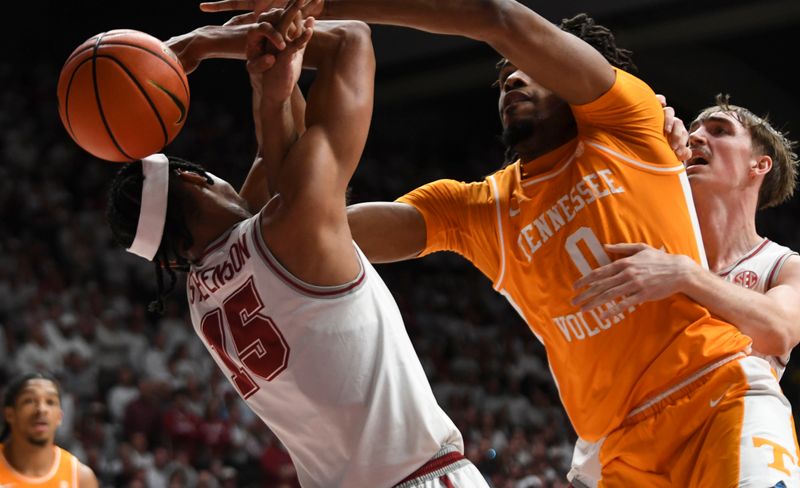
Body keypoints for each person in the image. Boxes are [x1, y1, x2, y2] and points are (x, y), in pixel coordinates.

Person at [198, 0, 800, 484]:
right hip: (618, 452)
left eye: (532, 71)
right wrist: (275, 95)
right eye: (507, 77)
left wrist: (311, 4)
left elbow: (496, 17)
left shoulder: (628, 126)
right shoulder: (478, 209)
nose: (512, 76)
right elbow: (308, 223)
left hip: (718, 398)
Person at [105, 6, 488, 488]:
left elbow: (281, 170)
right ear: (191, 176)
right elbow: (352, 40)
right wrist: (206, 43)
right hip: (421, 477)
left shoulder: (201, 300)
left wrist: (272, 95)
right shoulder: (287, 227)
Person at [567, 95, 800, 487]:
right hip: (629, 449)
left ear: (758, 165)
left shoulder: (782, 264)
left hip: (729, 432)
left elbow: (777, 330)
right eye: (693, 131)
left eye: (719, 131)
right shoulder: (646, 240)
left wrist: (686, 275)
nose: (697, 138)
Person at [0, 371, 99, 487]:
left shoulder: (80, 477)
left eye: (50, 402)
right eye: (29, 401)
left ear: (59, 417)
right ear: (9, 415)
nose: (41, 409)